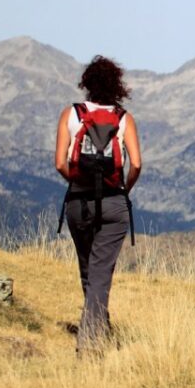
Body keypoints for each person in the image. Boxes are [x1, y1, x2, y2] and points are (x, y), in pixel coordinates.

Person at [54, 55, 142, 355]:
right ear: (117, 85)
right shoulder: (124, 119)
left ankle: (96, 331)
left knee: (88, 269)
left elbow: (60, 162)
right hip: (114, 203)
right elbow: (136, 164)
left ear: (87, 84)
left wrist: (77, 183)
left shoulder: (71, 114)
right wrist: (123, 189)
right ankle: (91, 343)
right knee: (100, 272)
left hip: (78, 202)